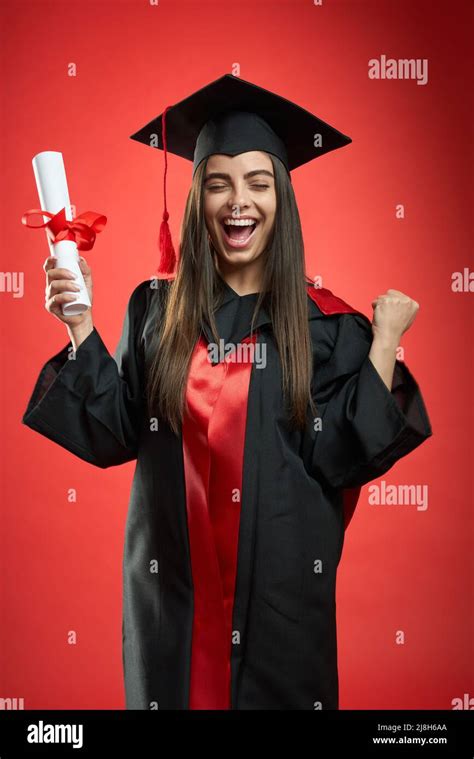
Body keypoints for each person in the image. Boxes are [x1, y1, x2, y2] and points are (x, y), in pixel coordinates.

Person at [22, 74, 433, 710]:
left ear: (282, 200)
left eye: (258, 182)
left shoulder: (325, 327)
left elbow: (346, 454)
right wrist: (80, 327)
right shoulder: (156, 312)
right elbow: (114, 429)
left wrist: (384, 344)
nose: (238, 201)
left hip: (281, 620)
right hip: (173, 613)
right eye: (218, 182)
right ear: (196, 200)